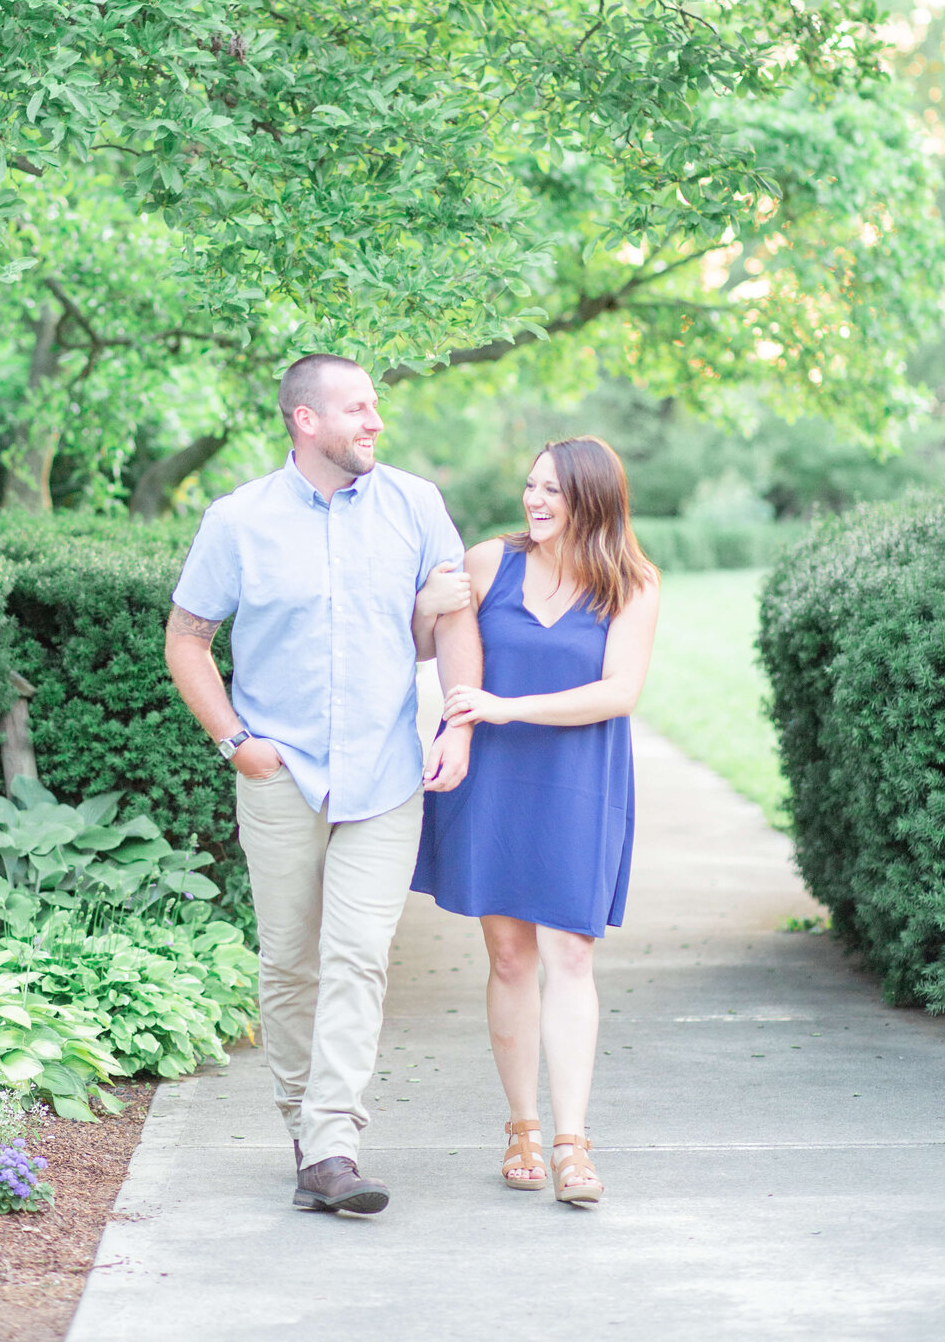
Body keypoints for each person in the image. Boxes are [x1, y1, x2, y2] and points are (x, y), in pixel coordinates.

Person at [164, 354, 480, 1216]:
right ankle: (304, 1131)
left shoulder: (416, 504)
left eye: (375, 406)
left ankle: (334, 1140)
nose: (375, 421)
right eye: (356, 408)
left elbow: (448, 622)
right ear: (305, 420)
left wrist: (457, 721)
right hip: (281, 775)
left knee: (357, 956)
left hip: (384, 775)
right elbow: (186, 639)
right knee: (291, 962)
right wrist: (236, 743)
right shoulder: (239, 521)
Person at [412, 436, 659, 1205]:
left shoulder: (632, 584)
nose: (536, 500)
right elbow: (428, 646)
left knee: (572, 956)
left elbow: (620, 693)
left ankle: (571, 1142)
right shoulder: (491, 562)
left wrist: (505, 709)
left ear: (594, 498)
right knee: (511, 956)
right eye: (530, 486)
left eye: (553, 490)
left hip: (579, 783)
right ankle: (521, 1124)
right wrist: (426, 610)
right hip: (494, 781)